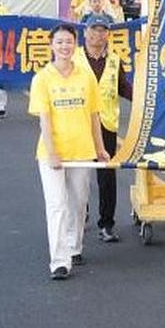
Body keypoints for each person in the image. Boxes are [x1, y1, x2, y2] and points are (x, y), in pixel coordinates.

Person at [29, 24, 111, 281]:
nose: (64, 47)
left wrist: (100, 149)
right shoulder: (42, 78)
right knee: (57, 205)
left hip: (81, 150)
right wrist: (52, 153)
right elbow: (44, 119)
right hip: (52, 154)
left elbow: (94, 115)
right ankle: (59, 261)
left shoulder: (85, 77)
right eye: (60, 42)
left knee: (78, 202)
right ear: (52, 46)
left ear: (75, 45)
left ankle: (74, 247)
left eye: (69, 42)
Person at [75, 13, 132, 242]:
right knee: (78, 174)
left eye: (103, 30)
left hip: (107, 123)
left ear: (108, 34)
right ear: (85, 32)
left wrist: (143, 100)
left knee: (107, 175)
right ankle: (81, 214)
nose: (98, 34)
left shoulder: (114, 60)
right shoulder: (74, 57)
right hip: (78, 123)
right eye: (94, 29)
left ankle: (106, 224)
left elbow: (122, 87)